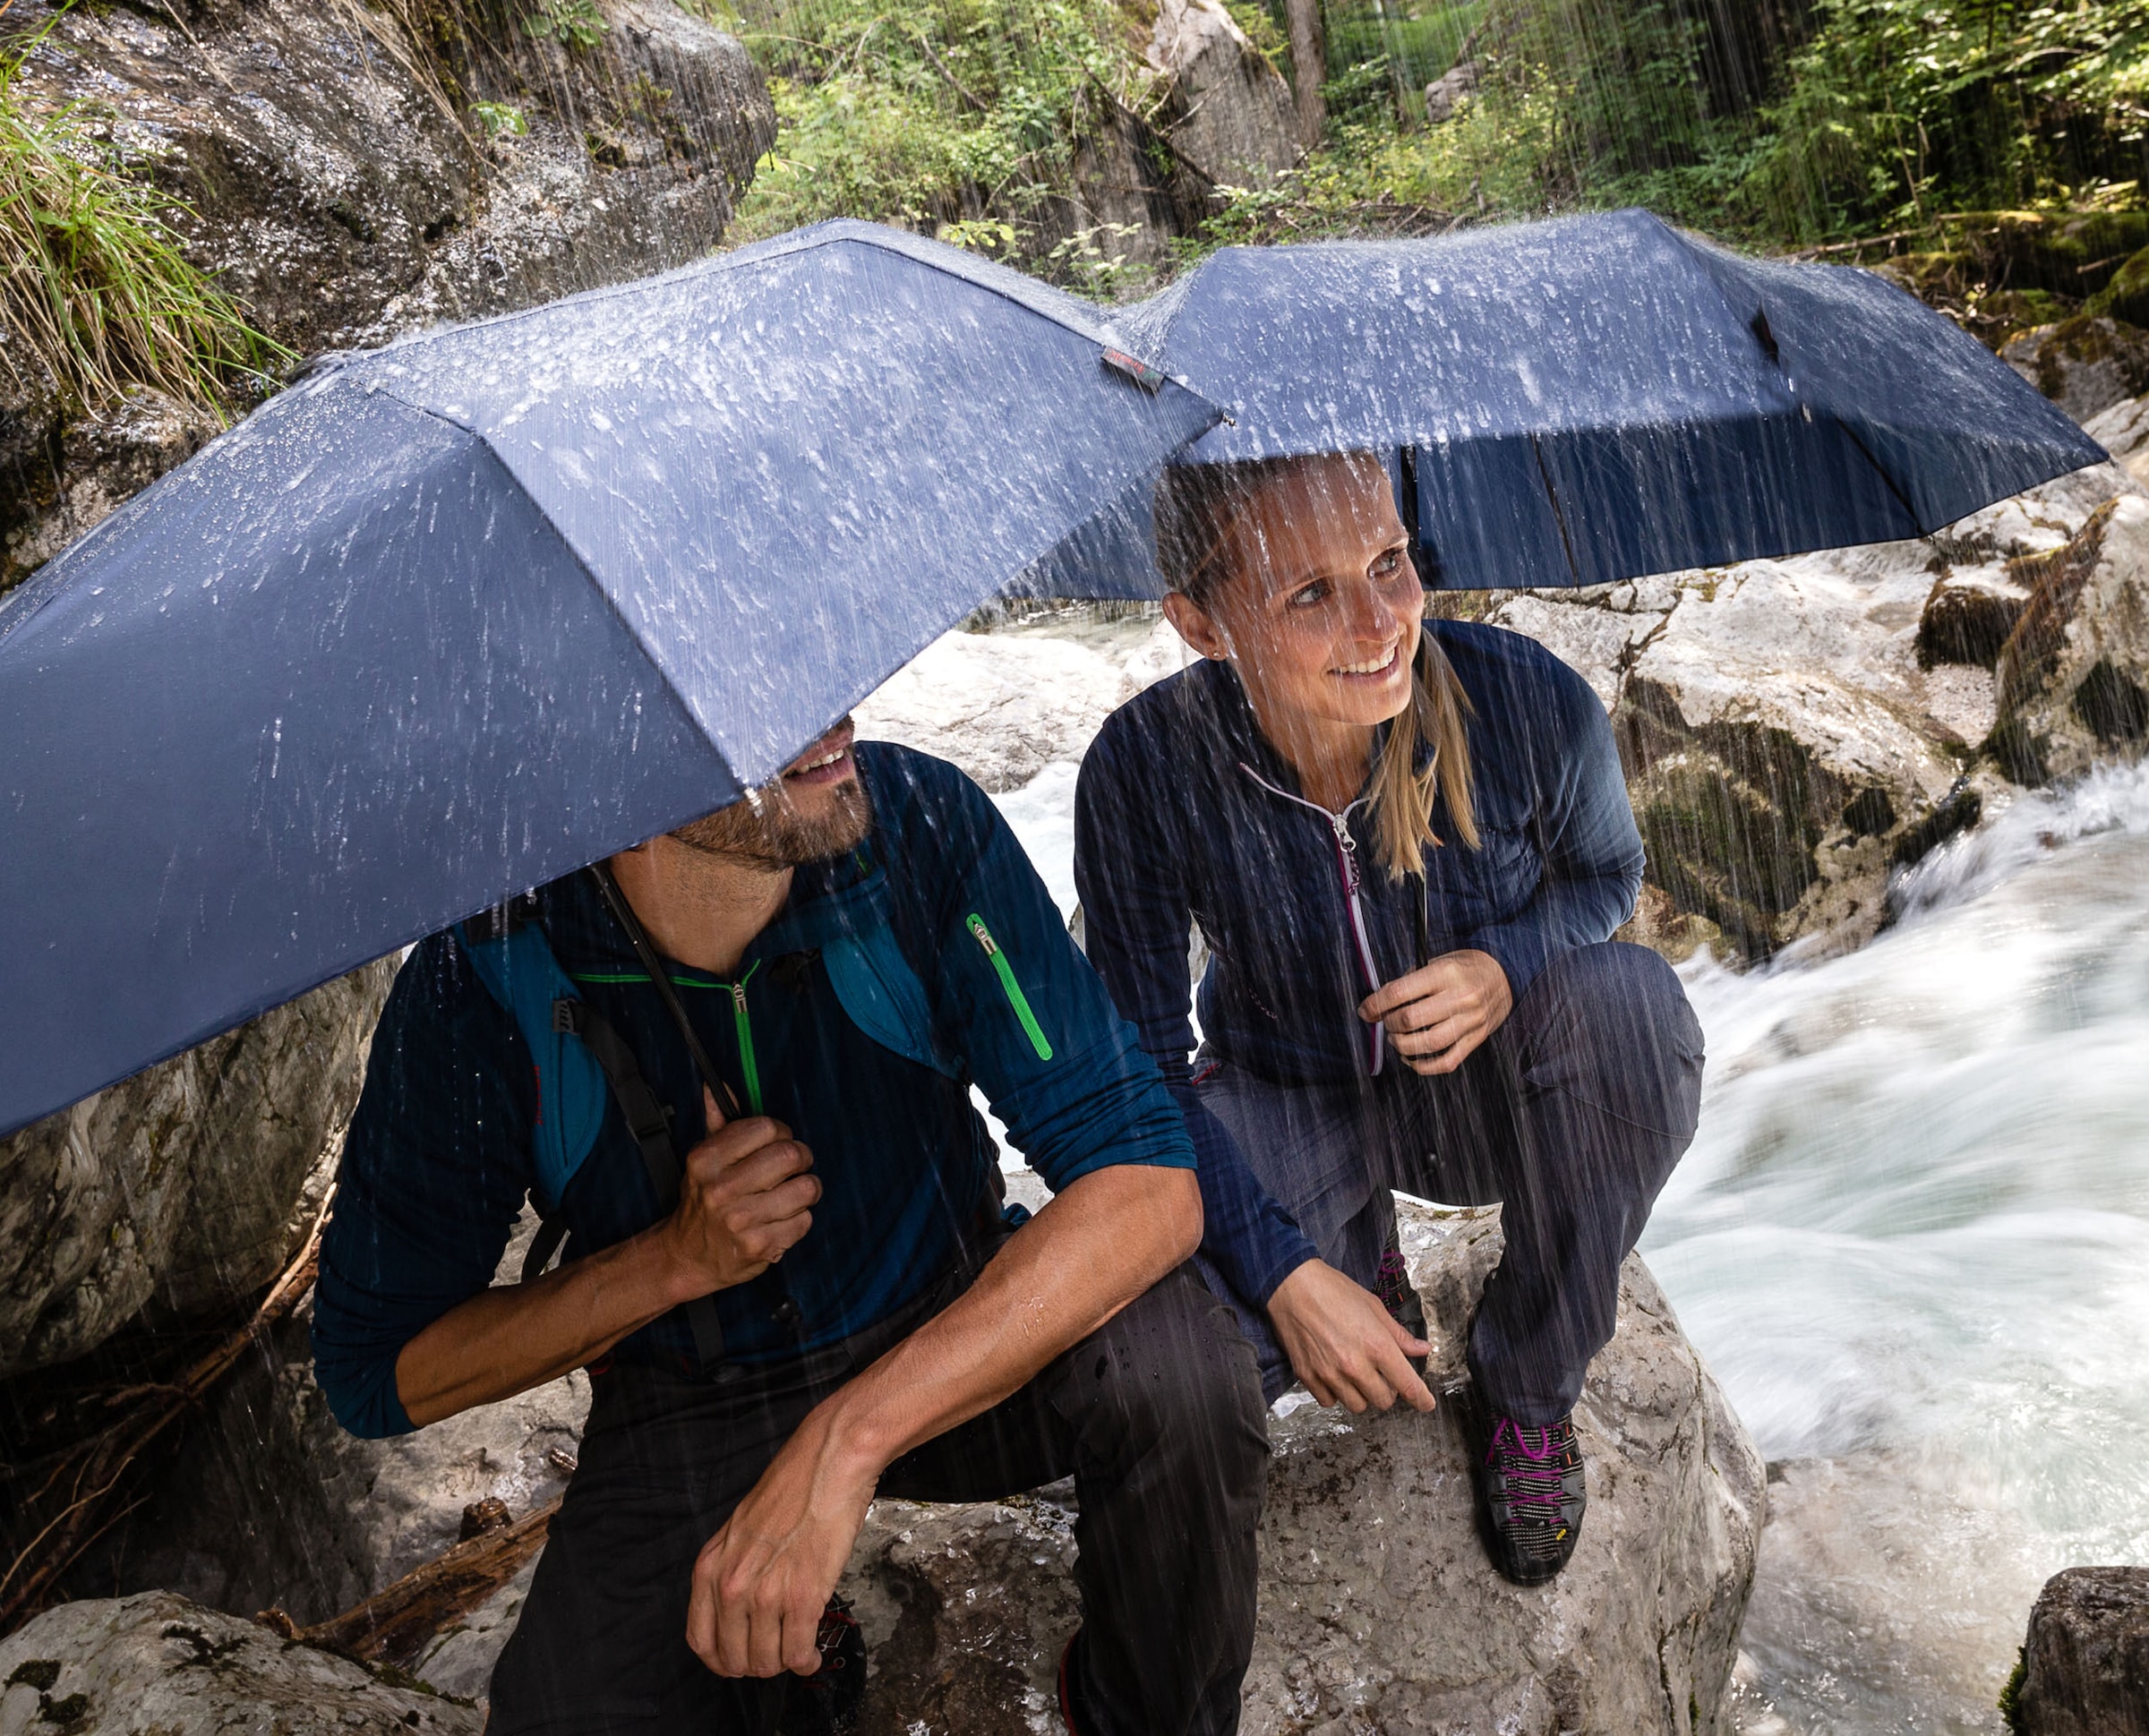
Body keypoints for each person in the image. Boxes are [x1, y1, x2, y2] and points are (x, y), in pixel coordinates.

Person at [312, 717, 1269, 1735]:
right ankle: (797, 1669)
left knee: (1185, 1379)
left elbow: (1148, 1180)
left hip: (949, 1307)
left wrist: (846, 1441)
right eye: (745, 702)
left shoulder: (915, 825)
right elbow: (378, 1372)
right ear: (607, 763)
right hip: (695, 1402)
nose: (830, 715)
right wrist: (668, 1263)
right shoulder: (484, 973)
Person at [1073, 451, 1705, 1587]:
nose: (1379, 623)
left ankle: (1526, 1391)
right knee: (1162, 1336)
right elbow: (1140, 1069)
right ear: (1200, 623)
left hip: (1479, 1103)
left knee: (1636, 1017)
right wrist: (1280, 1272)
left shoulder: (1524, 701)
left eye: (1389, 563)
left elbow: (1610, 874)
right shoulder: (1143, 768)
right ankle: (1361, 1256)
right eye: (1310, 594)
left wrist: (1506, 966)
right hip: (1288, 1094)